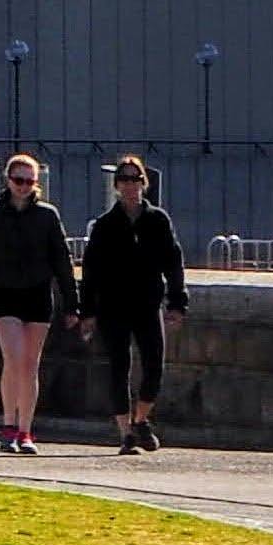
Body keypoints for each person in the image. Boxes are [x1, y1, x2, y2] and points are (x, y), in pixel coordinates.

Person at [80, 156, 191, 453]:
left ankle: (141, 419)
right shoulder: (105, 226)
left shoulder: (157, 221)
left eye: (136, 179)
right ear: (116, 185)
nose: (130, 185)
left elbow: (173, 262)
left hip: (148, 302)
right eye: (125, 179)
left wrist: (177, 302)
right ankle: (125, 432)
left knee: (154, 364)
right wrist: (87, 311)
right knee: (119, 366)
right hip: (113, 306)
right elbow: (91, 272)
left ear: (144, 183)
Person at [0, 153, 77, 456]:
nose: (23, 186)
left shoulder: (47, 216)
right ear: (8, 181)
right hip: (4, 295)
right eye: (18, 180)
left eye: (29, 181)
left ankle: (25, 430)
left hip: (37, 295)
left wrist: (72, 304)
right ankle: (8, 425)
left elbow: (62, 261)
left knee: (30, 365)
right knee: (15, 357)